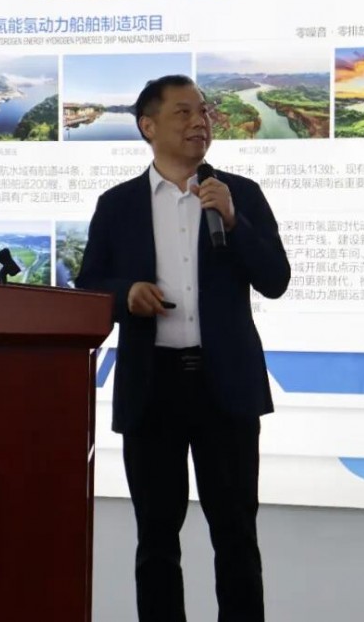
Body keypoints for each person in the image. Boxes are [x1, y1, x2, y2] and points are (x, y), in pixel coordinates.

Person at [75, 75, 290, 622]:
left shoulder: (239, 194)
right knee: (156, 539)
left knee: (236, 535)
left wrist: (235, 222)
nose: (199, 122)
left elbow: (275, 279)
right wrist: (126, 294)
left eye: (203, 112)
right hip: (154, 387)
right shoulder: (117, 205)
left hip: (226, 388)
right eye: (183, 113)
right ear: (148, 127)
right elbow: (89, 286)